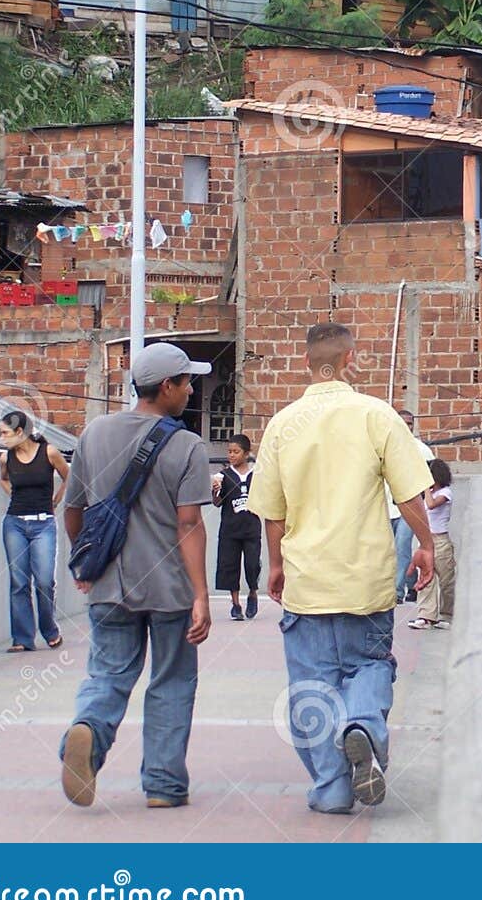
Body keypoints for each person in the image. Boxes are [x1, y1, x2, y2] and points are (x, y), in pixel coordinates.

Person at [249, 323, 435, 815]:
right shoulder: (378, 416)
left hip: (306, 582)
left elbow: (272, 510)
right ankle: (365, 726)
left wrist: (275, 566)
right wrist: (426, 546)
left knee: (312, 688)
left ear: (306, 363)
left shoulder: (281, 425)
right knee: (369, 665)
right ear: (350, 359)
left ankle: (331, 790)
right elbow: (409, 495)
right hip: (366, 581)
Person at [59, 343, 214, 809]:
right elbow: (189, 523)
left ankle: (88, 727)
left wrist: (83, 563)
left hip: (110, 584)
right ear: (166, 387)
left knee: (107, 674)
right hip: (170, 589)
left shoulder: (94, 433)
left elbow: (72, 509)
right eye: (186, 382)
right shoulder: (187, 445)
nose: (191, 389)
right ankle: (164, 787)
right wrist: (202, 595)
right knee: (170, 681)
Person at [0, 411, 69, 652]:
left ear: (20, 433)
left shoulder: (48, 452)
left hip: (43, 523)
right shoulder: (6, 458)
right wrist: (13, 495)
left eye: (5, 433)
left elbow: (69, 477)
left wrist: (55, 501)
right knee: (18, 582)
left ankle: (50, 630)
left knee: (45, 581)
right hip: (14, 523)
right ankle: (22, 638)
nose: (2, 438)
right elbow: (4, 480)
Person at [212, 434, 261, 621]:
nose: (232, 455)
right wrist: (216, 490)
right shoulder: (223, 476)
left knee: (252, 564)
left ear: (246, 453)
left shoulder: (256, 475)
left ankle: (253, 594)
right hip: (230, 530)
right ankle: (235, 604)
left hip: (251, 529)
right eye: (229, 451)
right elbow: (217, 502)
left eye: (236, 451)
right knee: (230, 566)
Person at [389, 411, 433, 605]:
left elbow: (432, 480)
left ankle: (396, 592)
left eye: (410, 423)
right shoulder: (385, 445)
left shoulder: (422, 451)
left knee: (402, 546)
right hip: (386, 508)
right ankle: (411, 583)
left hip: (410, 508)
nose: (407, 427)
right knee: (393, 552)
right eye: (403, 423)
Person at [408, 459, 455, 632]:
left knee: (446, 580)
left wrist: (427, 488)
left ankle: (446, 614)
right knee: (426, 578)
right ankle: (425, 615)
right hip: (426, 539)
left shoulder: (446, 493)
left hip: (441, 540)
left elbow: (431, 505)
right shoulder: (427, 493)